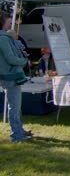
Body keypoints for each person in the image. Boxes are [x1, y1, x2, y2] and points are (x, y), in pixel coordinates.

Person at [0, 11, 32, 142]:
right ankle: (16, 135)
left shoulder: (5, 37)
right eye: (8, 21)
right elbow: (10, 58)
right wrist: (24, 62)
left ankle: (19, 130)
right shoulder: (2, 38)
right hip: (10, 76)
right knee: (14, 106)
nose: (10, 24)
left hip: (12, 75)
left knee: (16, 106)